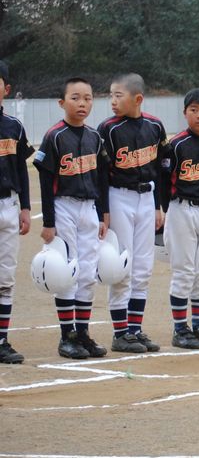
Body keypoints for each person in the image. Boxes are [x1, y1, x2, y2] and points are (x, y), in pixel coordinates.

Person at [35, 77, 108, 359]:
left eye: (88, 98)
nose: (82, 103)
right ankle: (67, 337)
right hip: (63, 206)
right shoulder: (55, 136)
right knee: (67, 271)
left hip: (89, 208)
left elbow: (101, 177)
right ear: (61, 102)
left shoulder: (94, 137)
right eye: (75, 97)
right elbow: (45, 180)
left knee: (88, 272)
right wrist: (49, 222)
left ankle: (83, 333)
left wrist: (104, 213)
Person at [98, 73, 166, 353]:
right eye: (111, 95)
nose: (112, 101)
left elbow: (162, 168)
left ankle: (135, 329)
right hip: (119, 197)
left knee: (143, 268)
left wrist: (160, 204)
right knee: (122, 265)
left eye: (118, 95)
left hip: (147, 197)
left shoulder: (155, 126)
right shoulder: (108, 129)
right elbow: (102, 174)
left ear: (137, 99)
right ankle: (120, 332)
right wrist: (103, 210)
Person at [160, 89, 199, 350]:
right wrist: (165, 212)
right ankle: (180, 329)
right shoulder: (175, 147)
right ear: (185, 112)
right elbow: (163, 183)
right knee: (184, 271)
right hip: (181, 209)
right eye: (194, 110)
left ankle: (198, 326)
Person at [0, 61, 32, 364]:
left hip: (9, 206)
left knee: (6, 277)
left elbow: (21, 167)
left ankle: (1, 339)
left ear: (6, 89)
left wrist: (25, 207)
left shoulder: (13, 126)